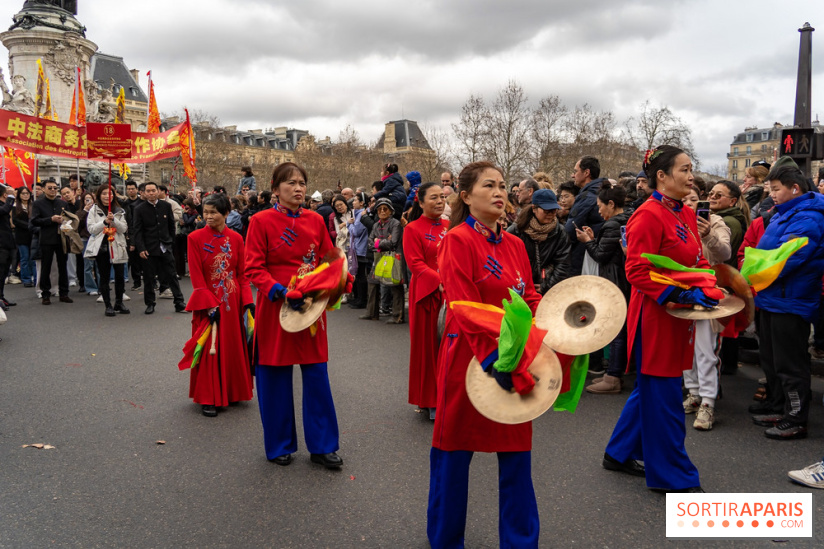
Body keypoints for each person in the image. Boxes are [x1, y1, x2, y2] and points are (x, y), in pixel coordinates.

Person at [427, 161, 542, 548]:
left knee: (516, 459)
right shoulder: (456, 240)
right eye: (489, 185)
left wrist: (557, 321)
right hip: (469, 361)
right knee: (454, 458)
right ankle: (445, 540)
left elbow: (527, 296)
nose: (499, 192)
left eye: (503, 186)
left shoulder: (516, 244)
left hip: (514, 362)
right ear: (465, 195)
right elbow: (463, 305)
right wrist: (495, 360)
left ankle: (520, 541)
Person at [602, 145, 711, 493]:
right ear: (661, 177)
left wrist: (709, 285)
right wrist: (677, 293)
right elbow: (636, 270)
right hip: (655, 315)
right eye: (684, 169)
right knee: (664, 398)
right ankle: (672, 476)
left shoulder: (686, 213)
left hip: (679, 314)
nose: (691, 175)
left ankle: (618, 453)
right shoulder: (647, 214)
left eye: (691, 168)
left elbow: (696, 260)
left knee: (652, 389)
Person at [245, 162, 343, 469]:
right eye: (291, 183)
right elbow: (253, 268)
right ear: (275, 189)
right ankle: (279, 445)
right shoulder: (260, 221)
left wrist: (340, 277)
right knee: (274, 378)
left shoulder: (315, 220)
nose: (298, 188)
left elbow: (329, 257)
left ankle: (323, 445)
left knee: (317, 376)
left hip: (311, 308)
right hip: (276, 307)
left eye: (302, 182)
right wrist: (279, 290)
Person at [750, 164, 824, 440]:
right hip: (772, 297)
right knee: (771, 359)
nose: (772, 196)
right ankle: (778, 406)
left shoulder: (809, 216)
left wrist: (754, 273)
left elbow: (787, 257)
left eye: (776, 190)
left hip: (790, 300)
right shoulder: (783, 214)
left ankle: (796, 418)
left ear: (795, 189)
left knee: (790, 363)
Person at [183, 193, 253, 417]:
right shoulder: (194, 238)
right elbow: (196, 276)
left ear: (226, 213)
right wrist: (210, 305)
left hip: (232, 299)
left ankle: (232, 391)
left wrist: (248, 302)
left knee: (232, 344)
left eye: (213, 212)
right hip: (209, 300)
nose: (208, 216)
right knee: (210, 347)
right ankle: (209, 397)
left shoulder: (237, 238)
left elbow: (241, 274)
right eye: (206, 212)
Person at [680, 187, 731, 430]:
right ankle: (693, 393)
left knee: (705, 350)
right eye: (684, 200)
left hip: (708, 293)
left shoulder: (716, 221)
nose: (689, 204)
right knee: (685, 348)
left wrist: (708, 233)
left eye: (694, 199)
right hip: (681, 292)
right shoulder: (675, 221)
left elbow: (725, 253)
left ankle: (708, 402)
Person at [576, 183, 632, 394]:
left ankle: (613, 377)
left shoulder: (612, 225)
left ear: (611, 203)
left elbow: (601, 255)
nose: (599, 211)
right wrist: (594, 238)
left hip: (615, 281)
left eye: (600, 206)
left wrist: (587, 241)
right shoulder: (628, 219)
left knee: (617, 330)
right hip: (626, 281)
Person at [402, 182, 447, 421]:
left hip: (452, 292)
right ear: (420, 201)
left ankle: (450, 396)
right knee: (428, 348)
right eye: (434, 198)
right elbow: (415, 263)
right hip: (428, 294)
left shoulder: (451, 227)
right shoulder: (412, 229)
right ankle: (429, 399)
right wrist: (439, 279)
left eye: (442, 197)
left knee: (448, 347)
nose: (440, 201)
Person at [132, 182, 186, 314]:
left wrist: (170, 243)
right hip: (149, 248)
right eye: (148, 191)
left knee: (172, 275)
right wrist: (141, 248)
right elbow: (137, 230)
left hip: (165, 246)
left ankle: (179, 302)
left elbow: (171, 227)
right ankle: (150, 303)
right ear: (143, 193)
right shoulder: (139, 209)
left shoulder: (166, 206)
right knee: (149, 278)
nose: (151, 193)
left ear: (158, 191)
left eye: (153, 190)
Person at [507, 188, 571, 294]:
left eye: (554, 210)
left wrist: (546, 286)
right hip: (519, 289)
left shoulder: (560, 232)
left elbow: (563, 264)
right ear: (534, 208)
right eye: (546, 210)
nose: (551, 214)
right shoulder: (516, 231)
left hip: (548, 290)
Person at [85, 185, 130, 316]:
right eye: (104, 193)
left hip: (117, 246)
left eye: (109, 194)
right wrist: (104, 222)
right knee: (104, 276)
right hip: (102, 247)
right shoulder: (94, 210)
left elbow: (123, 228)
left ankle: (119, 302)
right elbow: (91, 229)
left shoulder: (119, 210)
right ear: (99, 195)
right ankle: (108, 304)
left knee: (120, 276)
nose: (107, 196)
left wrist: (114, 220)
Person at [362, 198, 404, 324]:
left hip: (393, 257)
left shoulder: (395, 223)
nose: (382, 211)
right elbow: (369, 242)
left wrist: (377, 242)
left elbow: (393, 242)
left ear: (391, 211)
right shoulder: (375, 225)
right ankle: (372, 313)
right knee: (372, 282)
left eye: (385, 209)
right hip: (378, 257)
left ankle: (398, 316)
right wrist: (381, 242)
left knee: (395, 285)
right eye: (379, 209)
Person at [31, 179, 72, 305]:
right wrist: (50, 219)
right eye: (50, 188)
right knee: (46, 267)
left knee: (63, 266)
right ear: (43, 189)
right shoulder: (38, 204)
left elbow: (69, 217)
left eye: (55, 188)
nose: (53, 190)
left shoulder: (61, 202)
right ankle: (45, 293)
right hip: (47, 239)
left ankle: (64, 293)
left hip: (61, 238)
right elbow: (34, 220)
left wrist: (65, 221)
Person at [565, 156, 606, 275]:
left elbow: (571, 230)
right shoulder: (601, 192)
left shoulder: (587, 196)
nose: (573, 175)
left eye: (575, 171)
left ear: (586, 173)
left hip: (583, 258)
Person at [347, 191, 374, 309]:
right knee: (358, 274)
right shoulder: (357, 214)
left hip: (362, 249)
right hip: (357, 248)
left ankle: (362, 300)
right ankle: (358, 298)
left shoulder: (363, 214)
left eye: (355, 200)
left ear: (362, 203)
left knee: (361, 274)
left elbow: (356, 231)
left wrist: (349, 224)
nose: (353, 202)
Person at [12, 187, 35, 287]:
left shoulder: (33, 205)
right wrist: (28, 225)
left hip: (33, 236)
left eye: (27, 193)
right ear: (19, 195)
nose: (25, 195)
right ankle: (26, 279)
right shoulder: (15, 206)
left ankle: (35, 278)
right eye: (23, 193)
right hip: (21, 236)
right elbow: (15, 221)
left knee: (33, 259)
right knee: (24, 258)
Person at [0, 185, 15, 309]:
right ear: (4, 194)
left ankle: (1, 296)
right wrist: (11, 196)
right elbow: (4, 211)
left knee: (4, 272)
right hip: (1, 245)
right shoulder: (3, 205)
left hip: (7, 243)